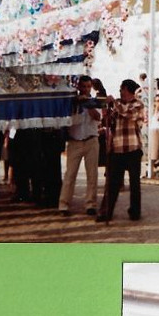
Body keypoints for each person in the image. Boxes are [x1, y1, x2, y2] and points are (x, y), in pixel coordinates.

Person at [97, 79, 145, 223]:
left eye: (122, 89)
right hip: (117, 148)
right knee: (112, 183)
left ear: (128, 90)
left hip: (133, 149)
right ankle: (106, 211)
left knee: (134, 183)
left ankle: (135, 212)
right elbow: (111, 122)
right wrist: (106, 113)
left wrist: (115, 104)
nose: (120, 92)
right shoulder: (118, 105)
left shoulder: (137, 104)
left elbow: (130, 115)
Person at [58, 75, 101, 216]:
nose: (86, 89)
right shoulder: (71, 102)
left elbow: (97, 117)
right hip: (75, 141)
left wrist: (88, 105)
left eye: (88, 87)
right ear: (79, 87)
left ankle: (90, 204)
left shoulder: (94, 101)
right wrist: (77, 103)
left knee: (92, 175)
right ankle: (64, 205)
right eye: (83, 87)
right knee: (70, 174)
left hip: (91, 140)